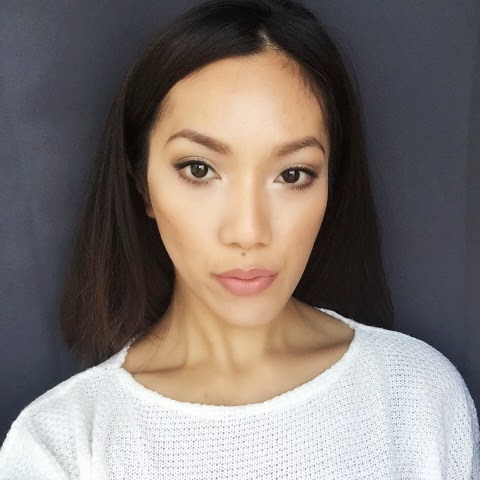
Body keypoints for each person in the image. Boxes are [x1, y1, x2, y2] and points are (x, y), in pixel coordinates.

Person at [1, 0, 479, 478]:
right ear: (142, 185)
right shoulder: (62, 445)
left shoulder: (418, 397)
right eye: (199, 169)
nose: (249, 231)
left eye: (292, 174)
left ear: (331, 184)